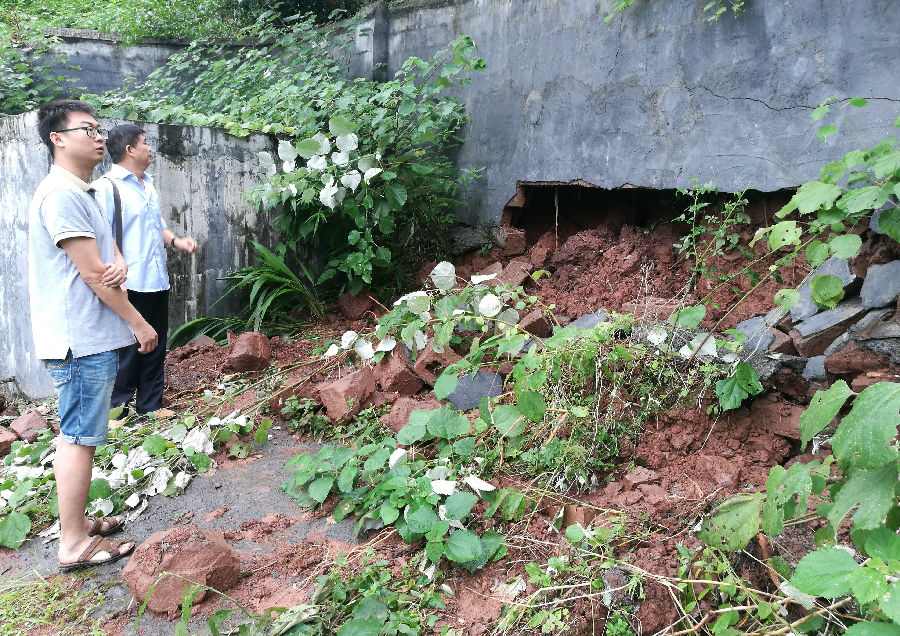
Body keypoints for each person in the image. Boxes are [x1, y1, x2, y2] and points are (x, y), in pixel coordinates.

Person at [29, 100, 158, 570]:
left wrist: (118, 260)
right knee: (78, 438)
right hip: (78, 339)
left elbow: (105, 254)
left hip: (86, 336)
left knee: (80, 434)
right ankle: (73, 543)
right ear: (57, 139)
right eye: (87, 129)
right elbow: (91, 275)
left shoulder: (80, 191)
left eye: (100, 129)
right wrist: (138, 322)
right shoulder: (61, 194)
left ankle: (78, 524)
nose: (100, 137)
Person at [92, 124, 198, 417]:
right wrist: (113, 277)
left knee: (156, 345)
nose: (149, 148)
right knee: (128, 348)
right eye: (144, 142)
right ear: (130, 150)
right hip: (129, 282)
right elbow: (101, 237)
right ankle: (117, 410)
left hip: (157, 279)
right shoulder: (107, 188)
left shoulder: (147, 185)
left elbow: (157, 226)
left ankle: (150, 406)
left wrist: (176, 241)